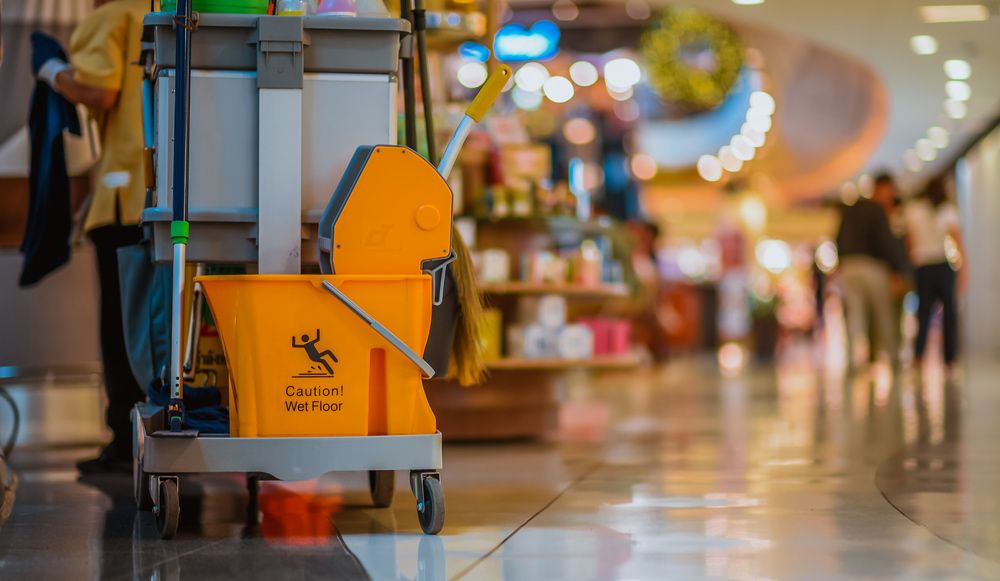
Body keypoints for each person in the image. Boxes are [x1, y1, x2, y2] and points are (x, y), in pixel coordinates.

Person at [35, 0, 149, 473]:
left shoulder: (114, 15)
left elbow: (100, 91)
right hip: (179, 196)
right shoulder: (172, 11)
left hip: (125, 196)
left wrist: (52, 71)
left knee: (122, 324)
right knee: (164, 323)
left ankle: (126, 436)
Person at [836, 174, 908, 369]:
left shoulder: (850, 209)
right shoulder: (877, 210)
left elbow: (838, 237)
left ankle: (851, 359)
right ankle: (893, 357)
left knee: (855, 314)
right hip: (872, 265)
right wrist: (897, 269)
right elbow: (885, 242)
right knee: (883, 312)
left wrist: (840, 263)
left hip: (849, 266)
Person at [903, 177, 965, 373]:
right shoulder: (946, 211)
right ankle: (949, 361)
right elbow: (958, 242)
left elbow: (910, 244)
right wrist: (964, 270)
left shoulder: (915, 211)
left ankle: (919, 358)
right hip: (941, 265)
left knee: (924, 313)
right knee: (948, 314)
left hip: (925, 267)